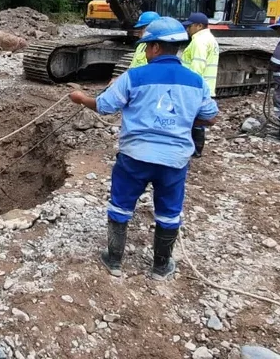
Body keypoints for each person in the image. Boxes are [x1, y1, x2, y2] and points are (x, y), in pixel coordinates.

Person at [68, 17, 219, 280]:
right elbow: (210, 117)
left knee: (121, 205)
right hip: (174, 159)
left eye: (147, 46)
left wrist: (81, 99)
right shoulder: (195, 81)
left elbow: (104, 106)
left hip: (135, 156)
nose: (146, 51)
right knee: (169, 212)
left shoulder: (134, 76)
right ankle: (161, 267)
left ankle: (114, 260)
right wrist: (184, 119)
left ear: (156, 47)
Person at [180, 12, 219, 157]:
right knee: (198, 118)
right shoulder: (210, 39)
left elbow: (197, 66)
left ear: (199, 26)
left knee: (193, 119)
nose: (187, 29)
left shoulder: (199, 41)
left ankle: (194, 150)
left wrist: (190, 87)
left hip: (196, 87)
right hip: (205, 86)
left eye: (190, 26)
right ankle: (196, 149)